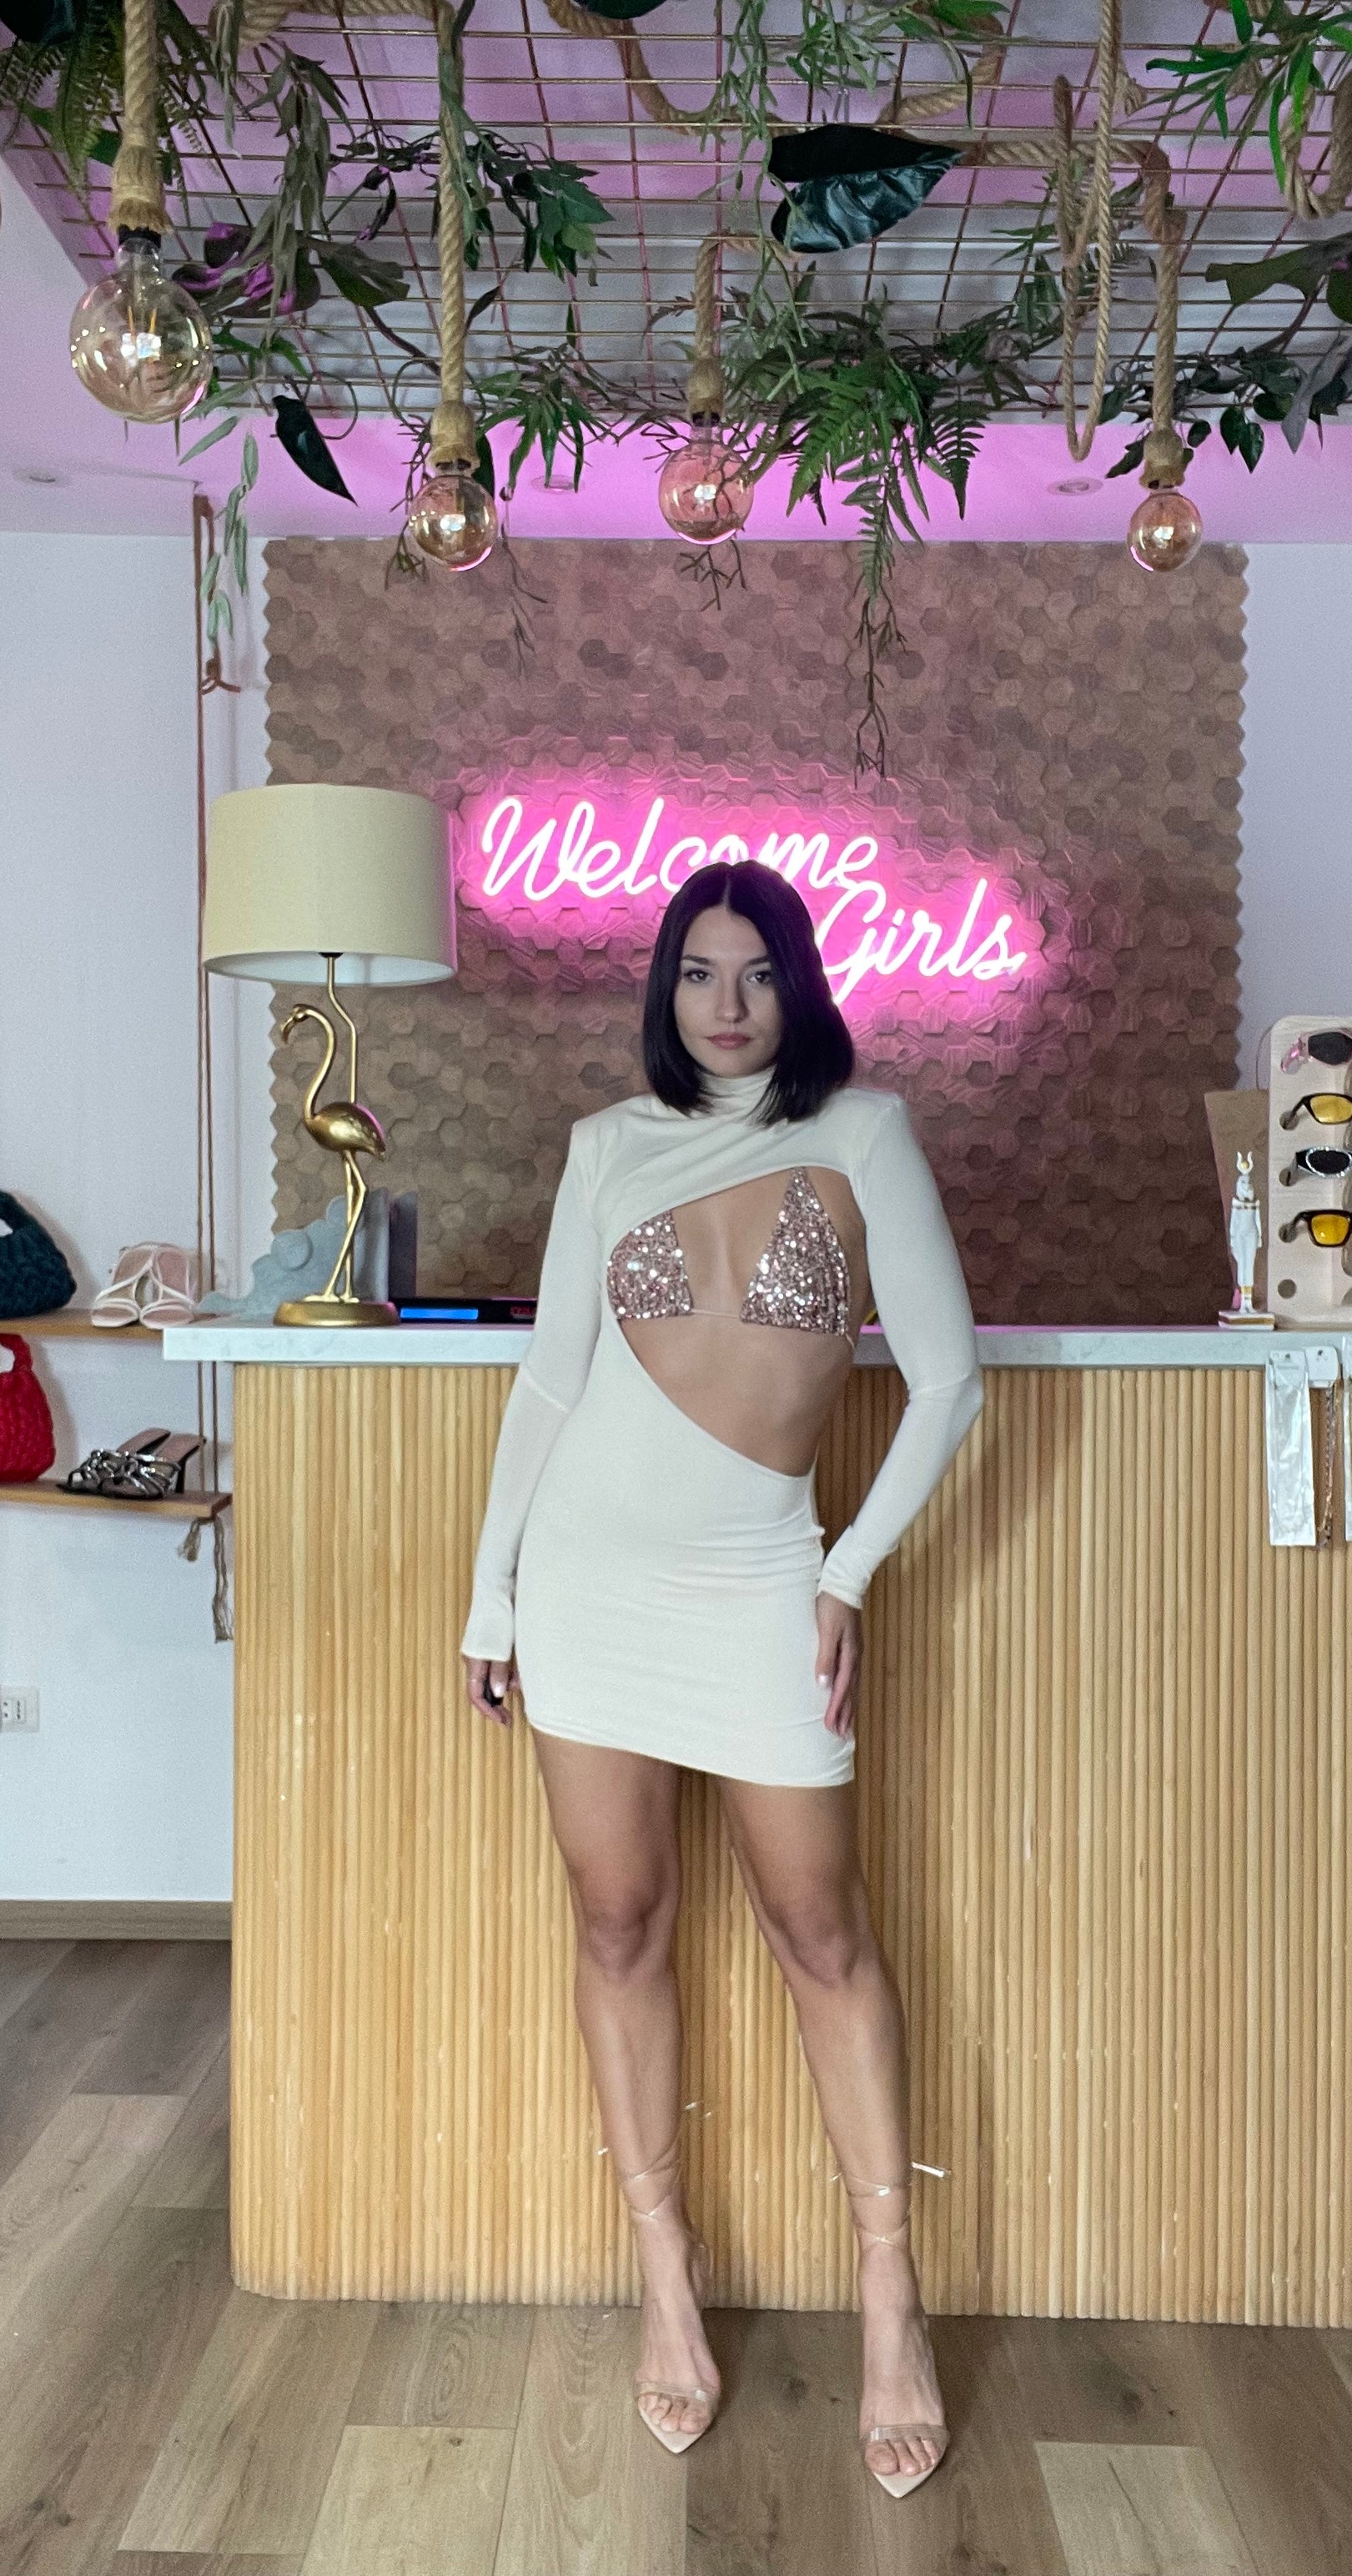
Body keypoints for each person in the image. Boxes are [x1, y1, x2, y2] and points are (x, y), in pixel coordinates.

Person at [458, 858, 983, 2497]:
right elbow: (552, 1384)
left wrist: (845, 1571)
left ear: (799, 984)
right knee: (617, 1920)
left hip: (761, 1580)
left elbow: (951, 1381)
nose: (728, 1001)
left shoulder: (865, 1132)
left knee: (821, 1932)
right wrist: (492, 1593)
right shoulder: (607, 1147)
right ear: (665, 989)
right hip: (589, 1584)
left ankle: (890, 2294)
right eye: (698, 971)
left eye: (757, 970)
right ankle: (665, 2276)